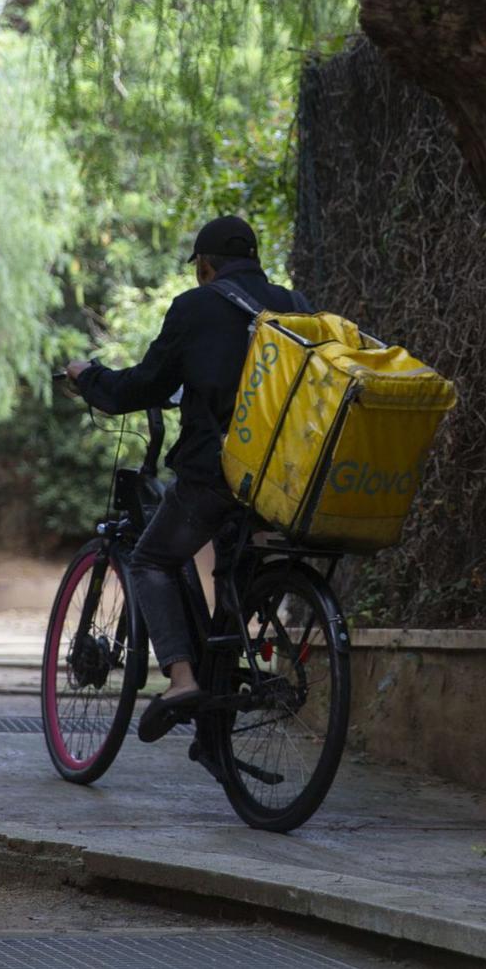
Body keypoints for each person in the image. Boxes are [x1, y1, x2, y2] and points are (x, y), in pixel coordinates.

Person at [65, 215, 312, 743]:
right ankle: (223, 693)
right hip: (286, 480)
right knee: (231, 570)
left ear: (205, 266)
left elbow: (145, 385)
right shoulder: (294, 305)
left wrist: (90, 379)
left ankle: (181, 679)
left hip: (216, 474)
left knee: (152, 558)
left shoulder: (195, 307)